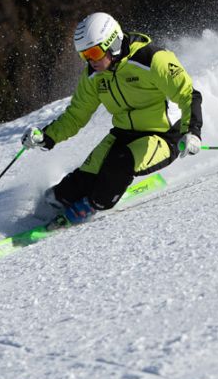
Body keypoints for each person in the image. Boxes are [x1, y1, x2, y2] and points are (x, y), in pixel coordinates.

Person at [21, 12, 204, 224]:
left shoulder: (153, 59)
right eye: (84, 55)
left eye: (94, 52)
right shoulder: (94, 76)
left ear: (113, 43)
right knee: (70, 188)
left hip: (162, 136)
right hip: (123, 135)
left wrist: (192, 132)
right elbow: (76, 115)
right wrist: (46, 136)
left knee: (118, 167)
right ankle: (35, 220)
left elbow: (188, 95)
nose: (90, 60)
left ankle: (89, 206)